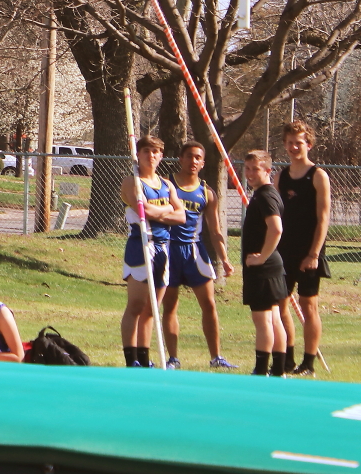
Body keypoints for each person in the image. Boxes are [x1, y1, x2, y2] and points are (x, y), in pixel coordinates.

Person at [161, 140, 238, 370]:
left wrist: (224, 259)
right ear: (180, 159)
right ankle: (173, 358)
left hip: (195, 252)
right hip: (169, 250)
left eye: (198, 158)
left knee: (209, 305)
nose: (193, 161)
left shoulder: (207, 193)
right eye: (189, 156)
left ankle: (216, 358)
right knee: (170, 306)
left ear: (203, 163)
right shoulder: (166, 185)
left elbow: (215, 230)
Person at [119, 135, 180, 368]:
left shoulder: (167, 184)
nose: (151, 156)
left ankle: (145, 358)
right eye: (146, 151)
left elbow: (182, 215)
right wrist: (166, 212)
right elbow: (142, 210)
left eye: (155, 152)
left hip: (164, 246)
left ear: (161, 155)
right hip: (140, 245)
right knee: (136, 304)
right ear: (139, 154)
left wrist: (159, 212)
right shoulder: (131, 182)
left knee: (152, 307)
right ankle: (130, 358)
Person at [277, 120, 332, 377]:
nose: (293, 147)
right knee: (280, 303)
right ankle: (286, 358)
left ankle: (308, 363)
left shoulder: (318, 175)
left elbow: (323, 218)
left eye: (298, 143)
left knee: (308, 305)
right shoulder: (281, 176)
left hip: (309, 250)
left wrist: (314, 254)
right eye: (289, 143)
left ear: (308, 144)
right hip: (284, 251)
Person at [241, 149, 291, 376]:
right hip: (269, 266)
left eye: (255, 169)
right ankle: (278, 369)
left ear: (268, 171)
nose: (250, 173)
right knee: (273, 318)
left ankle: (261, 369)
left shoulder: (266, 196)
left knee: (263, 321)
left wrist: (262, 256)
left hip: (264, 268)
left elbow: (276, 228)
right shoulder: (262, 194)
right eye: (247, 168)